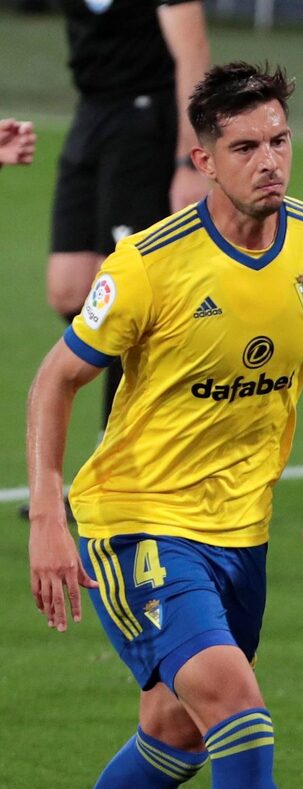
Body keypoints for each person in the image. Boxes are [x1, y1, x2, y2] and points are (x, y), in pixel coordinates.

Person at [20, 62, 303, 789]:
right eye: (245, 147)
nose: (269, 161)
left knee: (176, 726)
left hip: (239, 531)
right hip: (135, 520)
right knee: (234, 706)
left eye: (279, 140)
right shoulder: (149, 265)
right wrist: (48, 514)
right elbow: (54, 382)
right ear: (203, 158)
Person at [46, 0, 211, 471]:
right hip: (93, 115)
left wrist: (189, 159)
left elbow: (193, 55)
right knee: (70, 289)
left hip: (147, 121)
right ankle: (164, 408)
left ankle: (117, 466)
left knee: (123, 290)